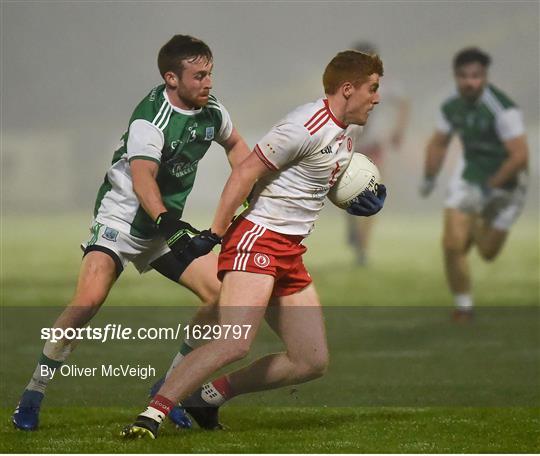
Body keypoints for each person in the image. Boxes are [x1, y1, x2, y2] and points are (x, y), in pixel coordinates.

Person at [122, 49, 387, 439]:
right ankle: (151, 415)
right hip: (257, 239)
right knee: (234, 341)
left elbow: (314, 179)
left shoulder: (351, 130)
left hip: (290, 250)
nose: (378, 97)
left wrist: (360, 195)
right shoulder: (303, 126)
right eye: (373, 88)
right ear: (348, 89)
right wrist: (214, 232)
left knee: (310, 361)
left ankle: (207, 398)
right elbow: (245, 173)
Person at [12, 34, 251, 431]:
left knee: (220, 296)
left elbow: (237, 146)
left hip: (161, 227)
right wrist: (167, 223)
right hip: (121, 221)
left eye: (210, 73)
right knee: (87, 301)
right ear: (171, 78)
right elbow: (143, 179)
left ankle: (169, 386)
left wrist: (250, 188)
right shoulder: (151, 118)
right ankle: (33, 392)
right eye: (199, 75)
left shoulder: (213, 111)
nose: (208, 82)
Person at [420, 47, 528, 321]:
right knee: (452, 243)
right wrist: (429, 176)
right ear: (456, 77)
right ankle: (463, 308)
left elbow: (519, 157)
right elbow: (439, 142)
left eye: (476, 76)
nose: (470, 82)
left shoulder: (502, 109)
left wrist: (491, 186)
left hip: (508, 184)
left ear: (485, 77)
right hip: (470, 175)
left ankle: (476, 223)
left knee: (487, 252)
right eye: (464, 76)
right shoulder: (451, 106)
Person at [346, 41, 410, 265]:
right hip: (351, 145)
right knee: (347, 192)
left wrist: (399, 131)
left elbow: (403, 103)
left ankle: (362, 247)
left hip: (374, 146)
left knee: (372, 195)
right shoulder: (344, 82)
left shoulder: (385, 82)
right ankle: (352, 225)